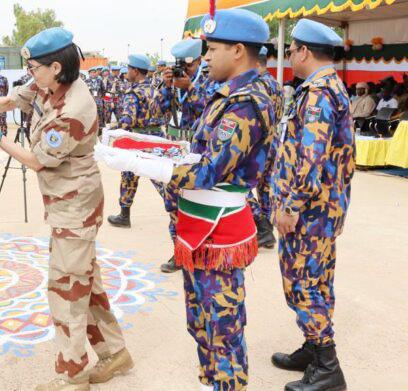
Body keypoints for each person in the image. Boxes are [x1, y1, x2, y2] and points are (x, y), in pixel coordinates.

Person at [97, 9, 275, 390]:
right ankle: (210, 382)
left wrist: (139, 162)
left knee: (221, 328)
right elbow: (196, 149)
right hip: (199, 224)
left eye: (212, 49)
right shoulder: (228, 92)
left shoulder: (246, 102)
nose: (205, 58)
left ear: (239, 51)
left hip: (218, 227)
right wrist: (150, 148)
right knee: (201, 322)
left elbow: (208, 169)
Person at [0, 27, 133, 391]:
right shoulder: (50, 84)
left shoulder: (73, 109)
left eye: (35, 68)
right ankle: (115, 353)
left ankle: (73, 376)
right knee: (87, 282)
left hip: (75, 203)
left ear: (56, 67)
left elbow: (38, 161)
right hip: (65, 203)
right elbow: (14, 100)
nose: (31, 74)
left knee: (67, 291)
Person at [270, 18, 353, 391]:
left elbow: (310, 158)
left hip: (309, 211)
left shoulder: (318, 93)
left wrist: (291, 207)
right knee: (318, 281)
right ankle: (313, 346)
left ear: (304, 50)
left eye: (290, 50)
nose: (289, 56)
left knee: (302, 283)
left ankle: (327, 366)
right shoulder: (327, 87)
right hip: (322, 209)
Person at [158, 38, 212, 273]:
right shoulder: (174, 83)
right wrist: (165, 86)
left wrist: (189, 88)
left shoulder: (210, 79)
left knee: (198, 202)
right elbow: (157, 109)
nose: (184, 71)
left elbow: (209, 109)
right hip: (177, 148)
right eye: (180, 66)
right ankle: (179, 252)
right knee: (173, 203)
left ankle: (200, 250)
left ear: (198, 61)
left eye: (188, 67)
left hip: (199, 150)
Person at [106, 54, 167, 230]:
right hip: (156, 138)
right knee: (160, 177)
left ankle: (124, 216)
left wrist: (113, 129)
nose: (127, 73)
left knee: (128, 176)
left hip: (138, 141)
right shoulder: (156, 90)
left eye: (129, 69)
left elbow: (128, 121)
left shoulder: (133, 92)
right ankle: (178, 210)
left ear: (135, 71)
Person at [246, 45, 284, 251]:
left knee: (241, 185)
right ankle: (266, 230)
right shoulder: (276, 84)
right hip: (274, 140)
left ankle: (262, 228)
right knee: (266, 188)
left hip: (257, 142)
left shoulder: (256, 84)